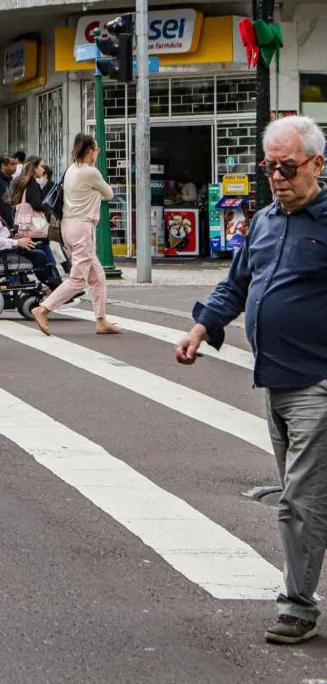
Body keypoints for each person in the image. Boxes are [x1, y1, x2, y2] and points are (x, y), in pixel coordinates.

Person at [176, 115, 327, 646]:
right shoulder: (264, 221)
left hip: (319, 382)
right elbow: (236, 283)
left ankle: (298, 606)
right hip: (275, 381)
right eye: (270, 167)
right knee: (304, 494)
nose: (279, 177)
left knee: (301, 501)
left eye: (289, 166)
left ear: (317, 164)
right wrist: (201, 327)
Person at [32, 133, 119, 335]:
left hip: (67, 227)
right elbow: (109, 194)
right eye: (96, 150)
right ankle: (43, 308)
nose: (97, 153)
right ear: (90, 152)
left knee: (97, 276)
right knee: (78, 279)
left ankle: (101, 320)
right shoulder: (90, 172)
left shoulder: (71, 169)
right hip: (82, 227)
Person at [0, 177, 61, 288]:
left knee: (37, 247)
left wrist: (11, 234)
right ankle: (56, 287)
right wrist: (17, 243)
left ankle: (55, 285)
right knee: (39, 255)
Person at [9, 154, 56, 272]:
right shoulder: (32, 184)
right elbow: (37, 204)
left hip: (25, 228)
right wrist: (48, 203)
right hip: (35, 230)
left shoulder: (21, 182)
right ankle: (57, 285)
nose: (43, 169)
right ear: (34, 168)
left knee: (25, 260)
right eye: (41, 166)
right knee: (50, 262)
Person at [0, 153, 20, 229]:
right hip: (0, 223)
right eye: (12, 164)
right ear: (3, 166)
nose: (15, 167)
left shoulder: (9, 179)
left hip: (9, 222)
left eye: (16, 164)